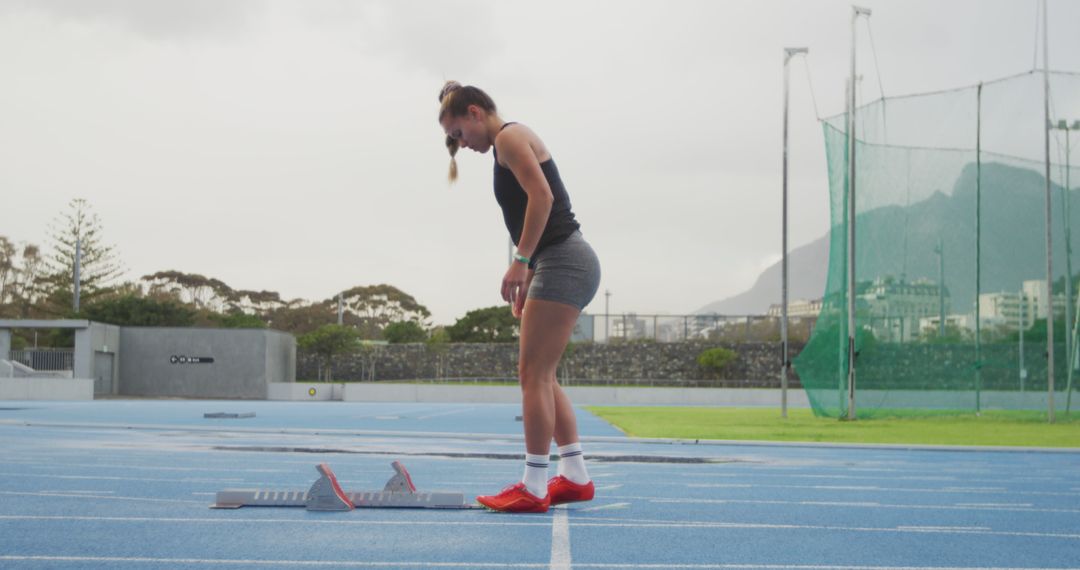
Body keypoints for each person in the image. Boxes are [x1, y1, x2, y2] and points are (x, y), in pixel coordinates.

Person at [438, 81, 601, 513]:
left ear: (475, 113)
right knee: (543, 376)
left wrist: (522, 260)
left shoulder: (508, 136)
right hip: (560, 261)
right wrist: (529, 272)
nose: (460, 143)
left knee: (531, 374)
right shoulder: (505, 144)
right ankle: (576, 476)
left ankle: (534, 485)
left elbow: (542, 197)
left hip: (563, 258)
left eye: (459, 133)